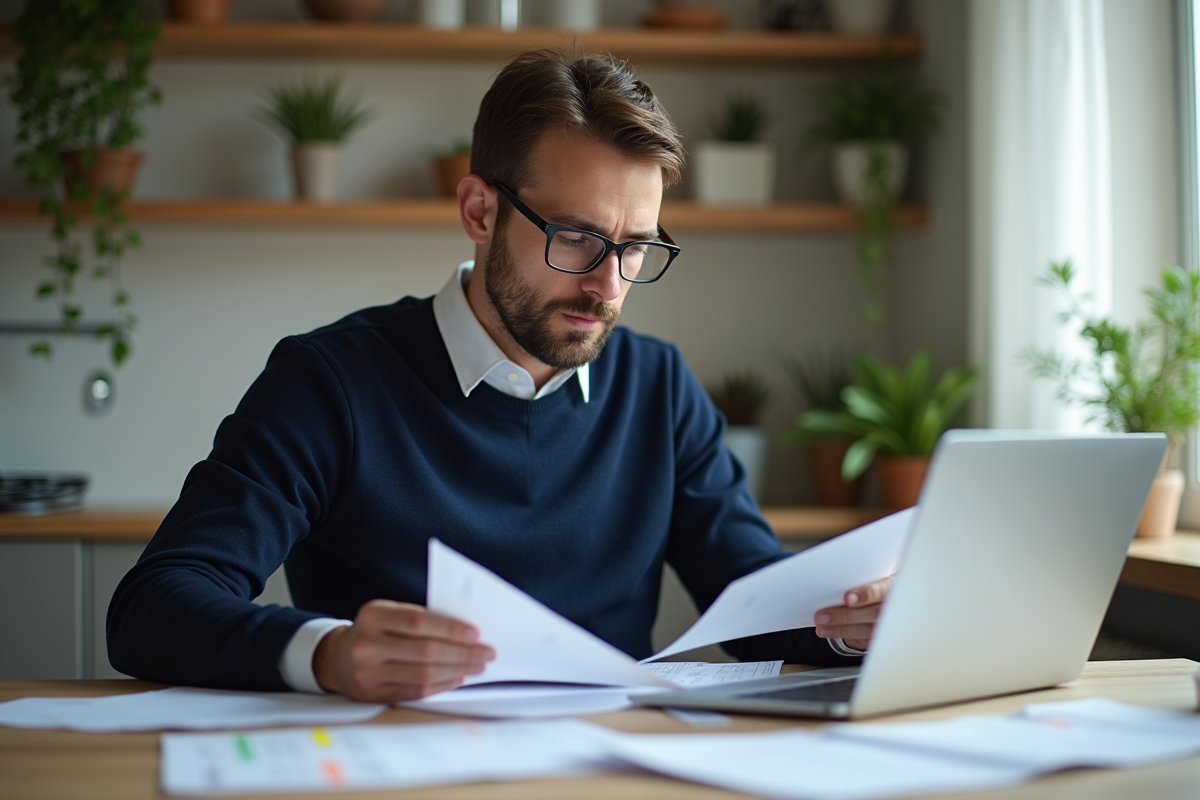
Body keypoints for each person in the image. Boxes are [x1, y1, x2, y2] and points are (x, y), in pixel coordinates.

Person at [107, 49, 891, 703]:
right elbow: (155, 605)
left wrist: (857, 623)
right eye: (578, 238)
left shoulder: (658, 386)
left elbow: (751, 603)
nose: (608, 286)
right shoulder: (330, 382)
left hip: (612, 770)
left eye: (636, 248)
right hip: (397, 771)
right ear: (480, 212)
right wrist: (328, 654)